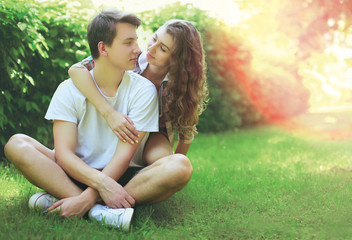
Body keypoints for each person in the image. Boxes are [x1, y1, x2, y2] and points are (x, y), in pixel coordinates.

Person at [2, 9, 186, 232]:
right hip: (76, 171)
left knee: (180, 165)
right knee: (16, 144)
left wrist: (88, 196)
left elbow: (124, 155)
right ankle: (102, 212)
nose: (139, 50)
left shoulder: (144, 90)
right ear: (103, 48)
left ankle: (72, 202)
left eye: (136, 41)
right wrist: (99, 184)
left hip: (123, 175)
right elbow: (64, 154)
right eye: (128, 43)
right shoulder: (68, 89)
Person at [68, 19, 209, 167]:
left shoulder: (180, 85)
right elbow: (76, 69)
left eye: (163, 49)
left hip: (155, 134)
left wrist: (176, 166)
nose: (152, 48)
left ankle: (139, 179)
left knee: (164, 162)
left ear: (177, 60)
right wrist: (109, 113)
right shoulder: (129, 57)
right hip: (120, 120)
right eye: (154, 38)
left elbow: (186, 130)